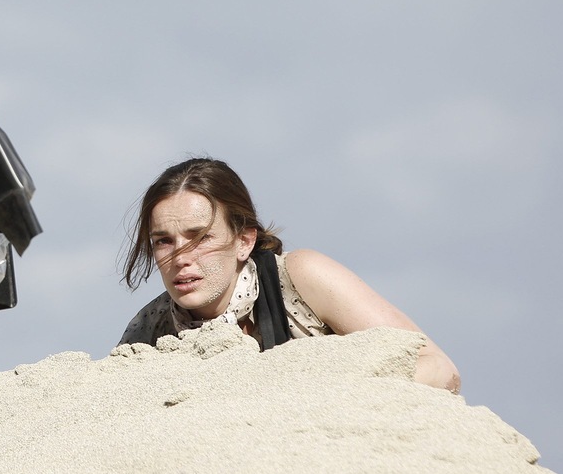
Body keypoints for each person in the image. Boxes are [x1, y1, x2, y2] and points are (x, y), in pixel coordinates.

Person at [118, 158, 460, 393]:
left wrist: (334, 397)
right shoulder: (148, 331)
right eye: (163, 241)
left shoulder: (301, 278)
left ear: (244, 241)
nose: (181, 258)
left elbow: (438, 367)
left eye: (201, 238)